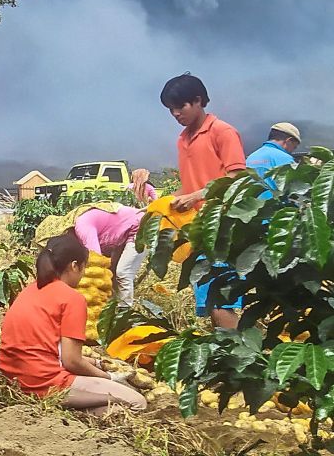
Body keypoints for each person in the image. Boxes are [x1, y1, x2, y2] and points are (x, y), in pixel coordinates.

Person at [0, 230, 147, 414]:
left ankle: (78, 407)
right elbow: (71, 361)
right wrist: (109, 377)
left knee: (109, 396)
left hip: (14, 379)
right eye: (84, 268)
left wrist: (97, 362)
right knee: (137, 401)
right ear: (75, 265)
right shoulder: (72, 299)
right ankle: (81, 408)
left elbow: (52, 350)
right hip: (43, 383)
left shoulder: (29, 290)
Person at [159, 73, 246, 329]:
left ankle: (234, 359)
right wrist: (162, 203)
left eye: (180, 106)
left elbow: (236, 177)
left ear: (198, 101)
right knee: (208, 300)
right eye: (171, 109)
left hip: (223, 228)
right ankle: (224, 355)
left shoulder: (223, 132)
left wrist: (196, 196)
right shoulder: (183, 139)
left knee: (222, 300)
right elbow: (189, 185)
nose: (175, 113)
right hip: (199, 230)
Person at [71, 205, 147, 305]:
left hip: (140, 227)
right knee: (113, 272)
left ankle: (124, 312)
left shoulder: (82, 227)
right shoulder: (79, 227)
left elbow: (97, 260)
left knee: (123, 272)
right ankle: (113, 308)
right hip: (123, 233)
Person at [245, 122, 302, 195]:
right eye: (294, 147)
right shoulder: (285, 158)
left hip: (251, 204)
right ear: (288, 141)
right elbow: (293, 189)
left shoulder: (251, 157)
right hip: (274, 204)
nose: (292, 151)